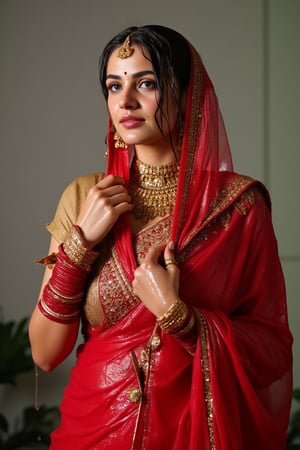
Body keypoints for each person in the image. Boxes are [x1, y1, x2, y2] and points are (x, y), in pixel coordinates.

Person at [29, 25, 293, 450]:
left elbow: (273, 349)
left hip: (188, 435)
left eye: (146, 83)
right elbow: (45, 353)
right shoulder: (84, 197)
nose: (126, 101)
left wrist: (181, 318)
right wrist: (80, 246)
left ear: (188, 96)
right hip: (91, 429)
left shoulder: (237, 207)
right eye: (115, 86)